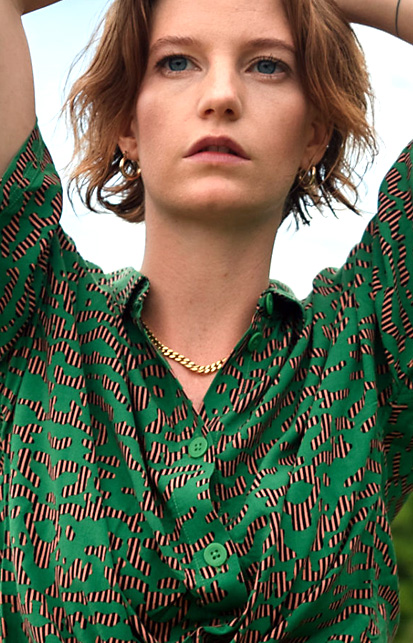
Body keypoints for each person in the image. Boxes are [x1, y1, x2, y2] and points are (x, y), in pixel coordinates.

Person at [0, 0, 412, 641]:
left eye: (268, 66)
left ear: (314, 133)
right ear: (127, 123)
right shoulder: (32, 318)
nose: (221, 96)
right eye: (177, 62)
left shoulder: (369, 346)